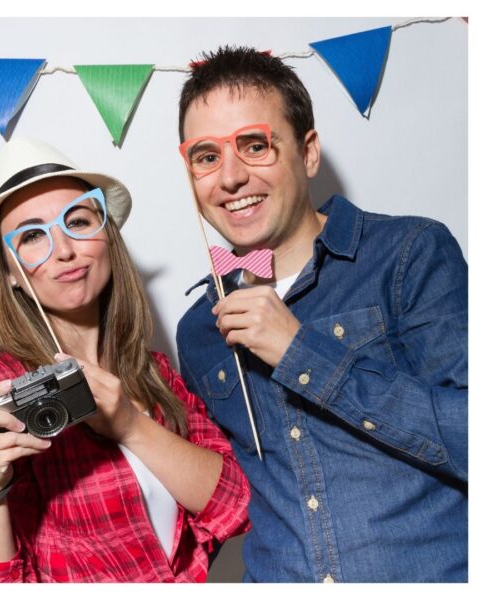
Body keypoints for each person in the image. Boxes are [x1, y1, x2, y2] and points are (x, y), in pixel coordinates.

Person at [175, 46, 467, 583]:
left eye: (255, 145)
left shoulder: (408, 254)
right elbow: (229, 496)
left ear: (308, 153)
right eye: (207, 156)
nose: (231, 178)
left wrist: (299, 351)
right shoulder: (199, 328)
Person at [0, 137, 249, 583]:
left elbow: (239, 506)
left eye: (78, 221)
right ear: (9, 274)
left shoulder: (153, 371)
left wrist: (128, 423)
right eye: (31, 236)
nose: (64, 250)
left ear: (107, 237)